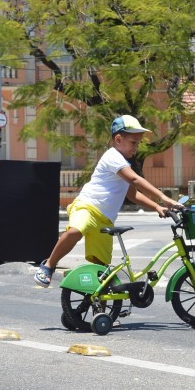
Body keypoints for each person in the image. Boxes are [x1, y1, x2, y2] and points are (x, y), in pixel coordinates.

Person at [33, 115, 181, 287]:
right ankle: (49, 265)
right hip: (87, 207)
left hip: (105, 220)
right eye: (134, 142)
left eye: (138, 143)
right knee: (75, 231)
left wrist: (157, 207)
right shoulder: (112, 156)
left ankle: (99, 310)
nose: (137, 147)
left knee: (101, 272)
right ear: (118, 139)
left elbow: (132, 194)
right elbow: (134, 180)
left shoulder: (124, 164)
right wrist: (163, 197)